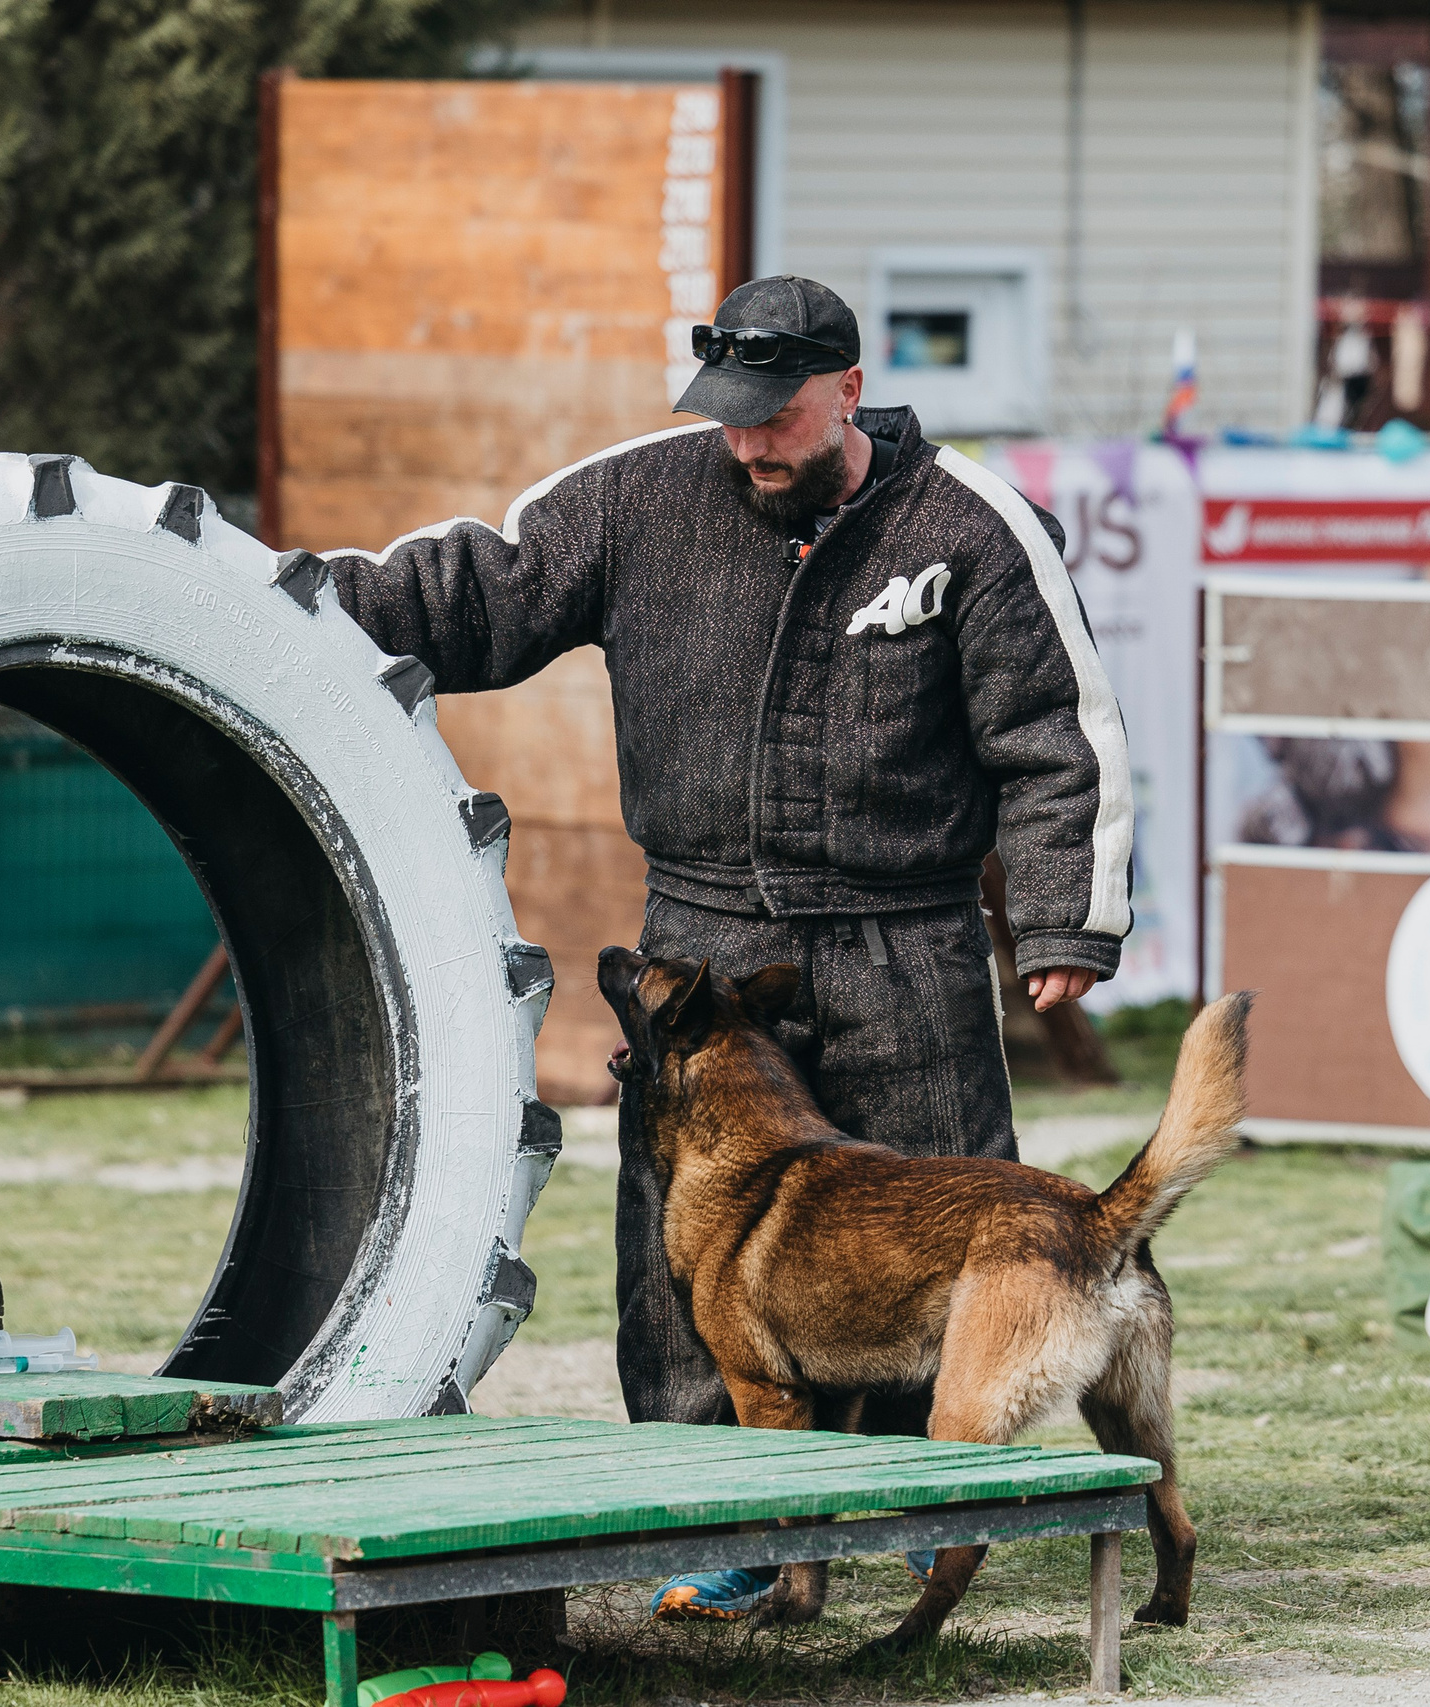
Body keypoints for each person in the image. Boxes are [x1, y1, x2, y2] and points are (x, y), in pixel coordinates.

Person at [325, 275, 1132, 1619]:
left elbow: (1058, 737)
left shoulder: (974, 528)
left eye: (780, 418)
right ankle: (722, 1526)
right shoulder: (634, 501)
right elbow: (474, 594)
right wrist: (282, 604)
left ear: (851, 392)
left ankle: (899, 1519)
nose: (750, 443)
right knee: (689, 1251)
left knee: (920, 1238)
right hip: (704, 943)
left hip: (904, 941)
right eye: (730, 417)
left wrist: (1063, 920)